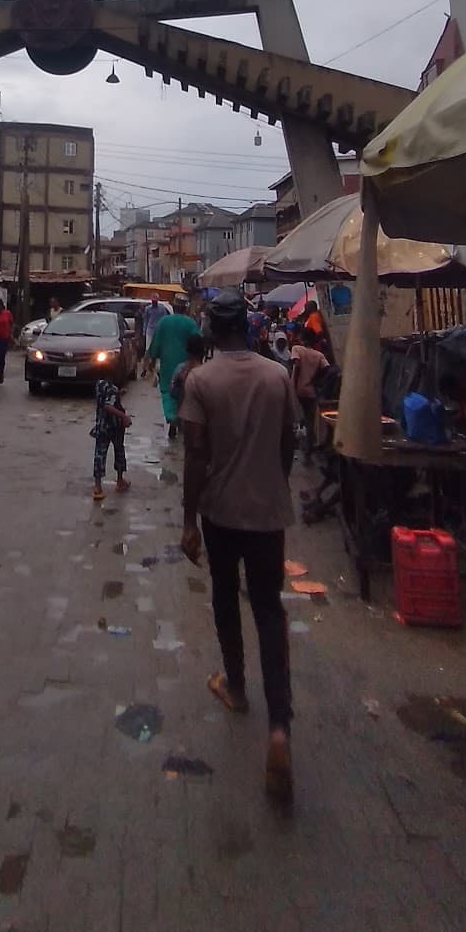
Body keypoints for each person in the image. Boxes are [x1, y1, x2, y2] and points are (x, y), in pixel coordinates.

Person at [179, 287, 298, 804]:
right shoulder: (277, 376)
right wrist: (274, 482)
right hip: (268, 513)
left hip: (221, 513)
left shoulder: (202, 380)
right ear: (247, 327)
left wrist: (188, 521)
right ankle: (280, 727)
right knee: (270, 610)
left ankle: (236, 684)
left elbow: (195, 455)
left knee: (226, 597)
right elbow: (289, 442)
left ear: (210, 329)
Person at [147, 302, 202, 437]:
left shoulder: (163, 322)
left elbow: (156, 342)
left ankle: (171, 417)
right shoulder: (190, 323)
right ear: (185, 308)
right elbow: (199, 342)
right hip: (187, 364)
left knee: (167, 392)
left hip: (167, 364)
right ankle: (181, 419)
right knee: (184, 393)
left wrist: (152, 361)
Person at [92, 376, 132, 501]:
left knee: (100, 455)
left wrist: (118, 394)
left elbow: (105, 400)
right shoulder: (111, 388)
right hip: (115, 426)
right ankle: (120, 481)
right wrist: (124, 417)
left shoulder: (100, 384)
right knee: (119, 451)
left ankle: (98, 486)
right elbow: (108, 405)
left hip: (102, 425)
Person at [290, 329, 326, 464]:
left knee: (293, 418)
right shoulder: (319, 355)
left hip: (297, 390)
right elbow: (326, 370)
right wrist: (315, 381)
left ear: (302, 338)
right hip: (311, 392)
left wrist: (293, 386)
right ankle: (308, 453)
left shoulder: (297, 349)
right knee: (310, 421)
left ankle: (294, 448)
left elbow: (297, 366)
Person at [167, 332, 207, 439]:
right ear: (203, 352)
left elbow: (172, 392)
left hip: (183, 419)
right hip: (202, 423)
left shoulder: (180, 369)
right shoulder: (209, 373)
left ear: (187, 351)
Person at [140, 294, 167, 378]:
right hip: (150, 331)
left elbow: (164, 319)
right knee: (147, 351)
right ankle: (145, 369)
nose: (154, 302)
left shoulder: (162, 309)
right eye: (153, 300)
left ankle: (154, 367)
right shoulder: (148, 309)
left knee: (158, 350)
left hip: (158, 331)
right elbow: (146, 320)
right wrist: (144, 332)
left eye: (155, 301)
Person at [300, 300, 334, 364]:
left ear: (311, 308)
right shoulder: (313, 316)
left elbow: (319, 332)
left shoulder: (314, 317)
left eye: (306, 307)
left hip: (316, 347)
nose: (305, 310)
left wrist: (311, 342)